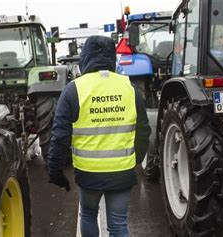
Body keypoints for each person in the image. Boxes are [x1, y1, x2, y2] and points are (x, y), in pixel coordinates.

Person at [47, 35, 151, 237]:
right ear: (112, 57)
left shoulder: (74, 89)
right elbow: (143, 131)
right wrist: (135, 160)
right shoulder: (130, 88)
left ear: (85, 57)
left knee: (88, 214)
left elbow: (59, 136)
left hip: (89, 173)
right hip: (122, 171)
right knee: (119, 225)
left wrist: (55, 172)